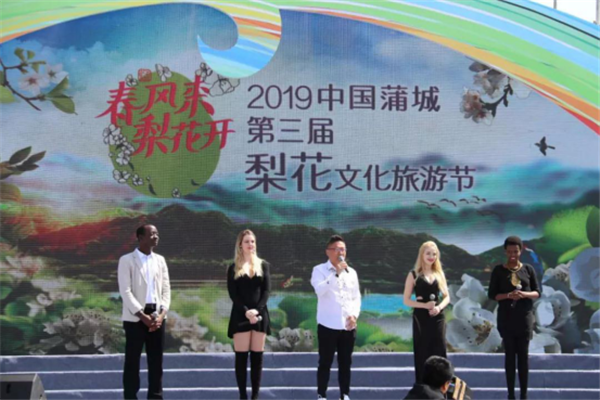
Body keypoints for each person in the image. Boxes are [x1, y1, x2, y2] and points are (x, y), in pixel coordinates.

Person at [118, 224, 171, 400]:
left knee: (156, 362)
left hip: (157, 317)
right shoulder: (127, 260)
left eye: (157, 233)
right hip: (135, 318)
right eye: (152, 234)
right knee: (132, 362)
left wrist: (161, 315)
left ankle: (155, 396)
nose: (156, 236)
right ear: (140, 238)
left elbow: (166, 289)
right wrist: (142, 316)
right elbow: (125, 291)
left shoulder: (160, 260)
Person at [488, 236, 540, 400]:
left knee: (523, 358)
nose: (512, 255)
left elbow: (537, 292)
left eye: (515, 251)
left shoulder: (528, 269)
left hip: (524, 319)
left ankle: (524, 395)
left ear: (520, 251)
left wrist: (523, 294)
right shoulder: (498, 270)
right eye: (509, 252)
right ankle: (511, 394)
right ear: (505, 251)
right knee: (510, 357)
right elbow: (493, 295)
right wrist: (508, 295)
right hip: (506, 319)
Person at [311, 235, 361, 400]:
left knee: (345, 362)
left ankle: (344, 394)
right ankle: (322, 395)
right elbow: (319, 291)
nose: (341, 253)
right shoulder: (319, 270)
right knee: (325, 362)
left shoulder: (351, 272)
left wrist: (354, 315)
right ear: (328, 251)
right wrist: (336, 274)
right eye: (338, 249)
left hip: (348, 326)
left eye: (343, 249)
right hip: (328, 324)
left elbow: (356, 297)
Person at [227, 230, 271, 400]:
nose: (250, 244)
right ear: (240, 245)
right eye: (247, 241)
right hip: (240, 316)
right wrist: (246, 311)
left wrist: (257, 310)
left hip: (260, 316)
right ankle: (243, 396)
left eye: (252, 241)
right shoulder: (233, 268)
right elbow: (233, 294)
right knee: (241, 358)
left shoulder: (263, 265)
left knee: (257, 358)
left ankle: (255, 397)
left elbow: (266, 291)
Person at [403, 241, 450, 383]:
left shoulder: (439, 273)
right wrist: (424, 305)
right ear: (422, 255)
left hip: (438, 317)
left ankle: (441, 387)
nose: (431, 257)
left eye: (434, 254)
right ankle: (423, 388)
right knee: (422, 351)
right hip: (421, 318)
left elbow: (447, 297)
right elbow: (406, 300)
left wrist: (438, 308)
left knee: (440, 351)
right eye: (428, 253)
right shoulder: (414, 274)